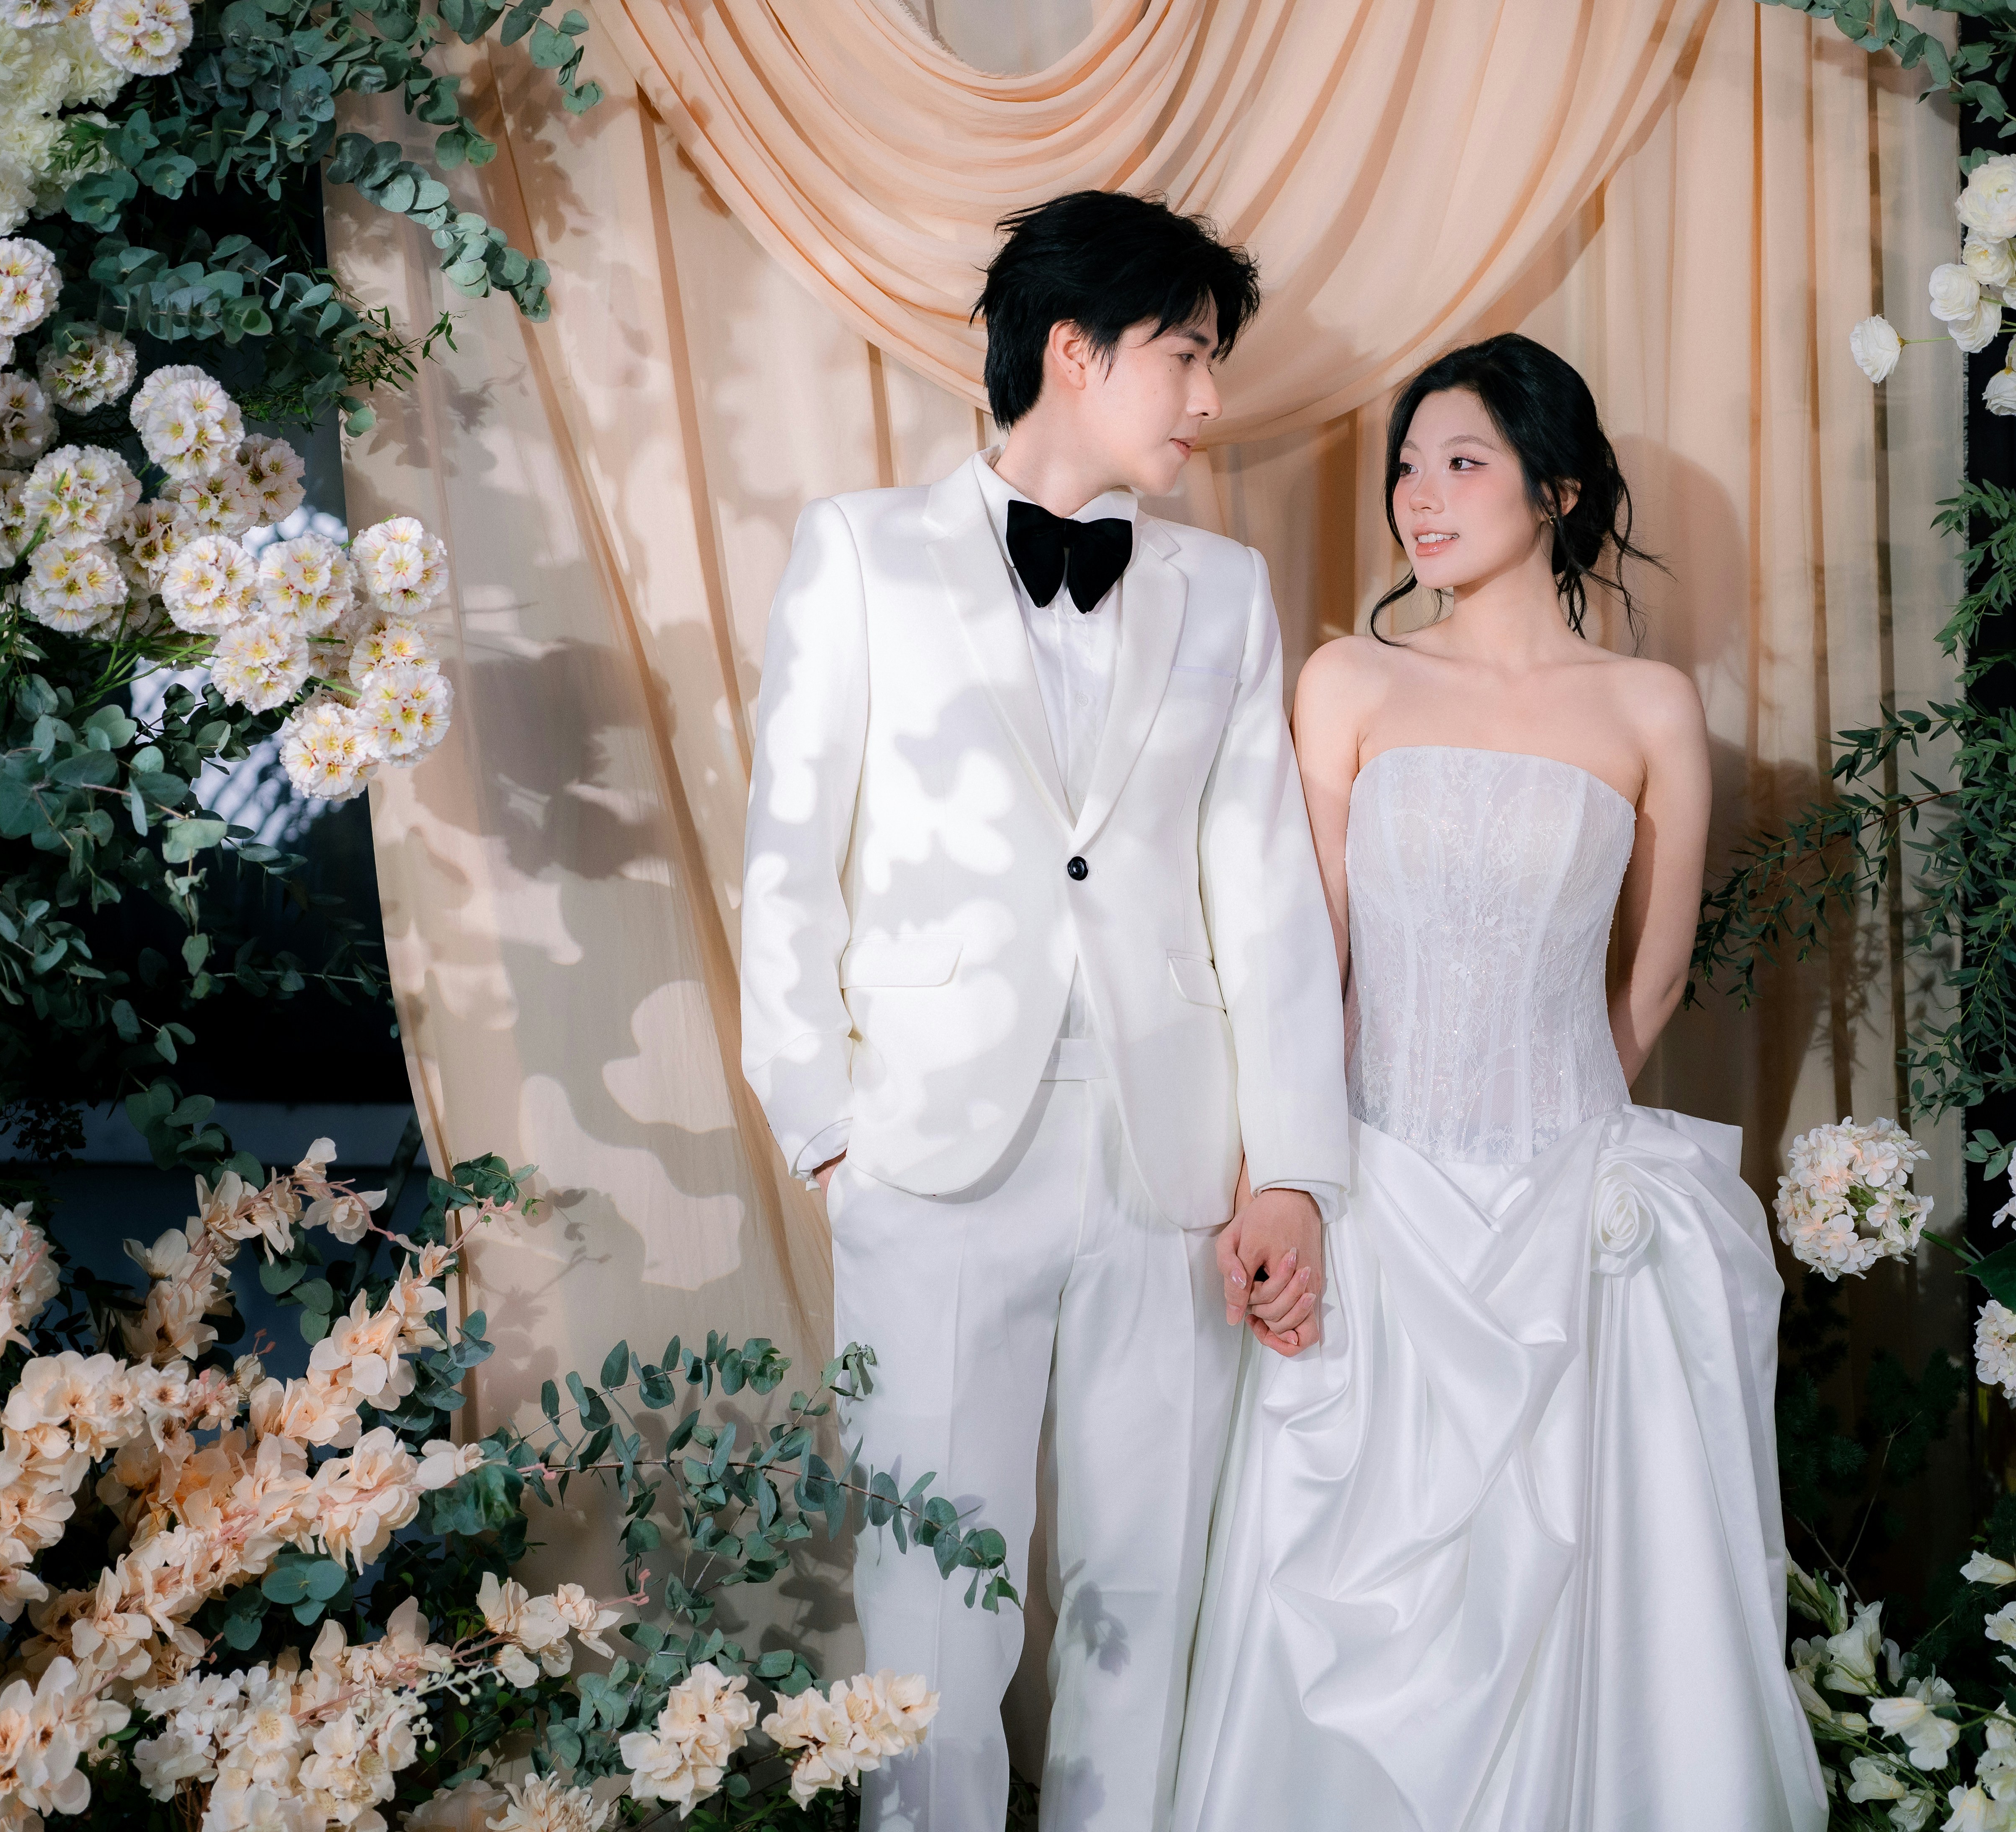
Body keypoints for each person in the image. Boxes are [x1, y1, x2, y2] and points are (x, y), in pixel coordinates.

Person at [736, 189, 1350, 1832]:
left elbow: (1269, 896)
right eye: (1188, 357)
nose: (1213, 400)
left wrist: (1289, 1163)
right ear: (1072, 353)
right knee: (934, 1587)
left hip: (1170, 1165)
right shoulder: (860, 551)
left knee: (1149, 1587)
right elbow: (787, 863)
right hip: (928, 1160)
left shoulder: (1224, 592)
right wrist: (830, 1137)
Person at [1172, 332, 1830, 1831]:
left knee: (1592, 1604)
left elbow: (1647, 982)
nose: (1419, 493)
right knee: (1342, 1598)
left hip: (1566, 1215)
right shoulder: (1347, 680)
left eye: (1460, 460)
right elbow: (1305, 966)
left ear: (1557, 485)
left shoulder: (1650, 707)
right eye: (1408, 464)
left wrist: (1552, 1157)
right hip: (1375, 1197)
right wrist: (1290, 1178)